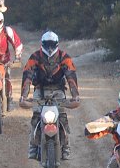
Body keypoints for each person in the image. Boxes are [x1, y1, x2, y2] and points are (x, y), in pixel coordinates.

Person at [18, 31, 80, 160]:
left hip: (58, 90)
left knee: (62, 117)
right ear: (42, 44)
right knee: (36, 116)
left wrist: (75, 96)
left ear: (57, 44)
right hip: (40, 90)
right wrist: (24, 96)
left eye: (52, 44)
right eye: (47, 44)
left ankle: (66, 146)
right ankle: (33, 146)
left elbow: (71, 77)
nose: (50, 47)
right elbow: (27, 75)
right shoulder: (35, 57)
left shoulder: (64, 57)